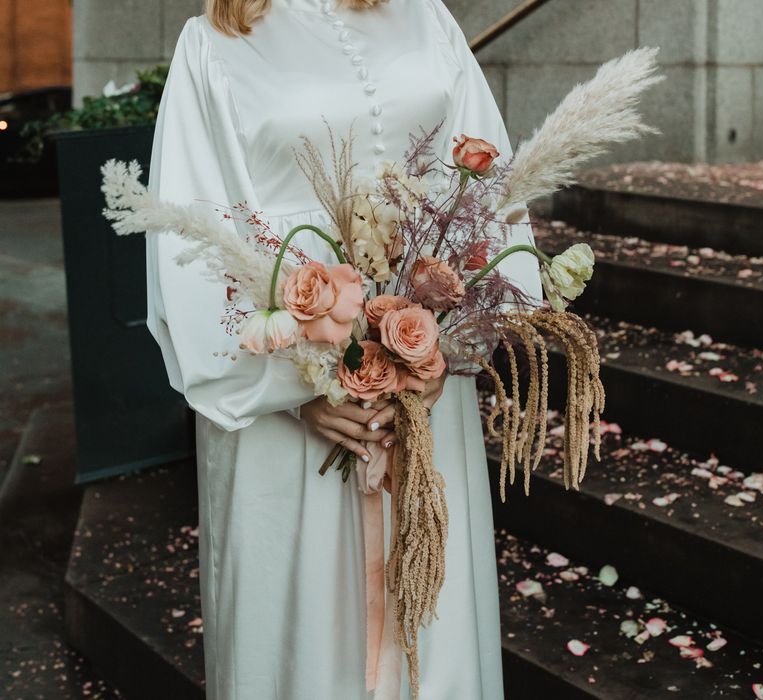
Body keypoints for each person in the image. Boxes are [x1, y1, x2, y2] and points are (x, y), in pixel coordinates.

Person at [146, 0, 542, 697]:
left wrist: (449, 341)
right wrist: (300, 387)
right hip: (289, 409)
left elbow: (490, 190)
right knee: (305, 640)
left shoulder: (427, 18)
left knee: (431, 626)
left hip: (428, 391)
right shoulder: (214, 43)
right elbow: (189, 235)